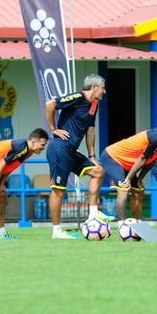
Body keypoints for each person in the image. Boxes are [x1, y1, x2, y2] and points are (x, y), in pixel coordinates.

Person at [45, 74, 112, 240]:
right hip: (59, 148)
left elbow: (90, 130)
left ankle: (93, 214)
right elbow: (50, 104)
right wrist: (53, 128)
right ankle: (56, 231)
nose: (104, 91)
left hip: (71, 152)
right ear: (94, 87)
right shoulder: (78, 97)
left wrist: (92, 155)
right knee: (59, 191)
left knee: (98, 171)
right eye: (102, 88)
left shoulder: (94, 105)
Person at [0, 128, 49, 239]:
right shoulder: (20, 147)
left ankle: (1, 232)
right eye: (42, 144)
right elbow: (2, 164)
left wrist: (2, 183)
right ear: (33, 142)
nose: (43, 148)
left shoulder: (28, 152)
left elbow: (10, 167)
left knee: (2, 196)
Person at [100, 112, 157, 220]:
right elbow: (142, 159)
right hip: (112, 158)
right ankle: (122, 227)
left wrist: (140, 179)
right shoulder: (156, 137)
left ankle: (138, 226)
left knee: (138, 191)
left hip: (126, 165)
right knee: (123, 190)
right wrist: (128, 179)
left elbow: (152, 159)